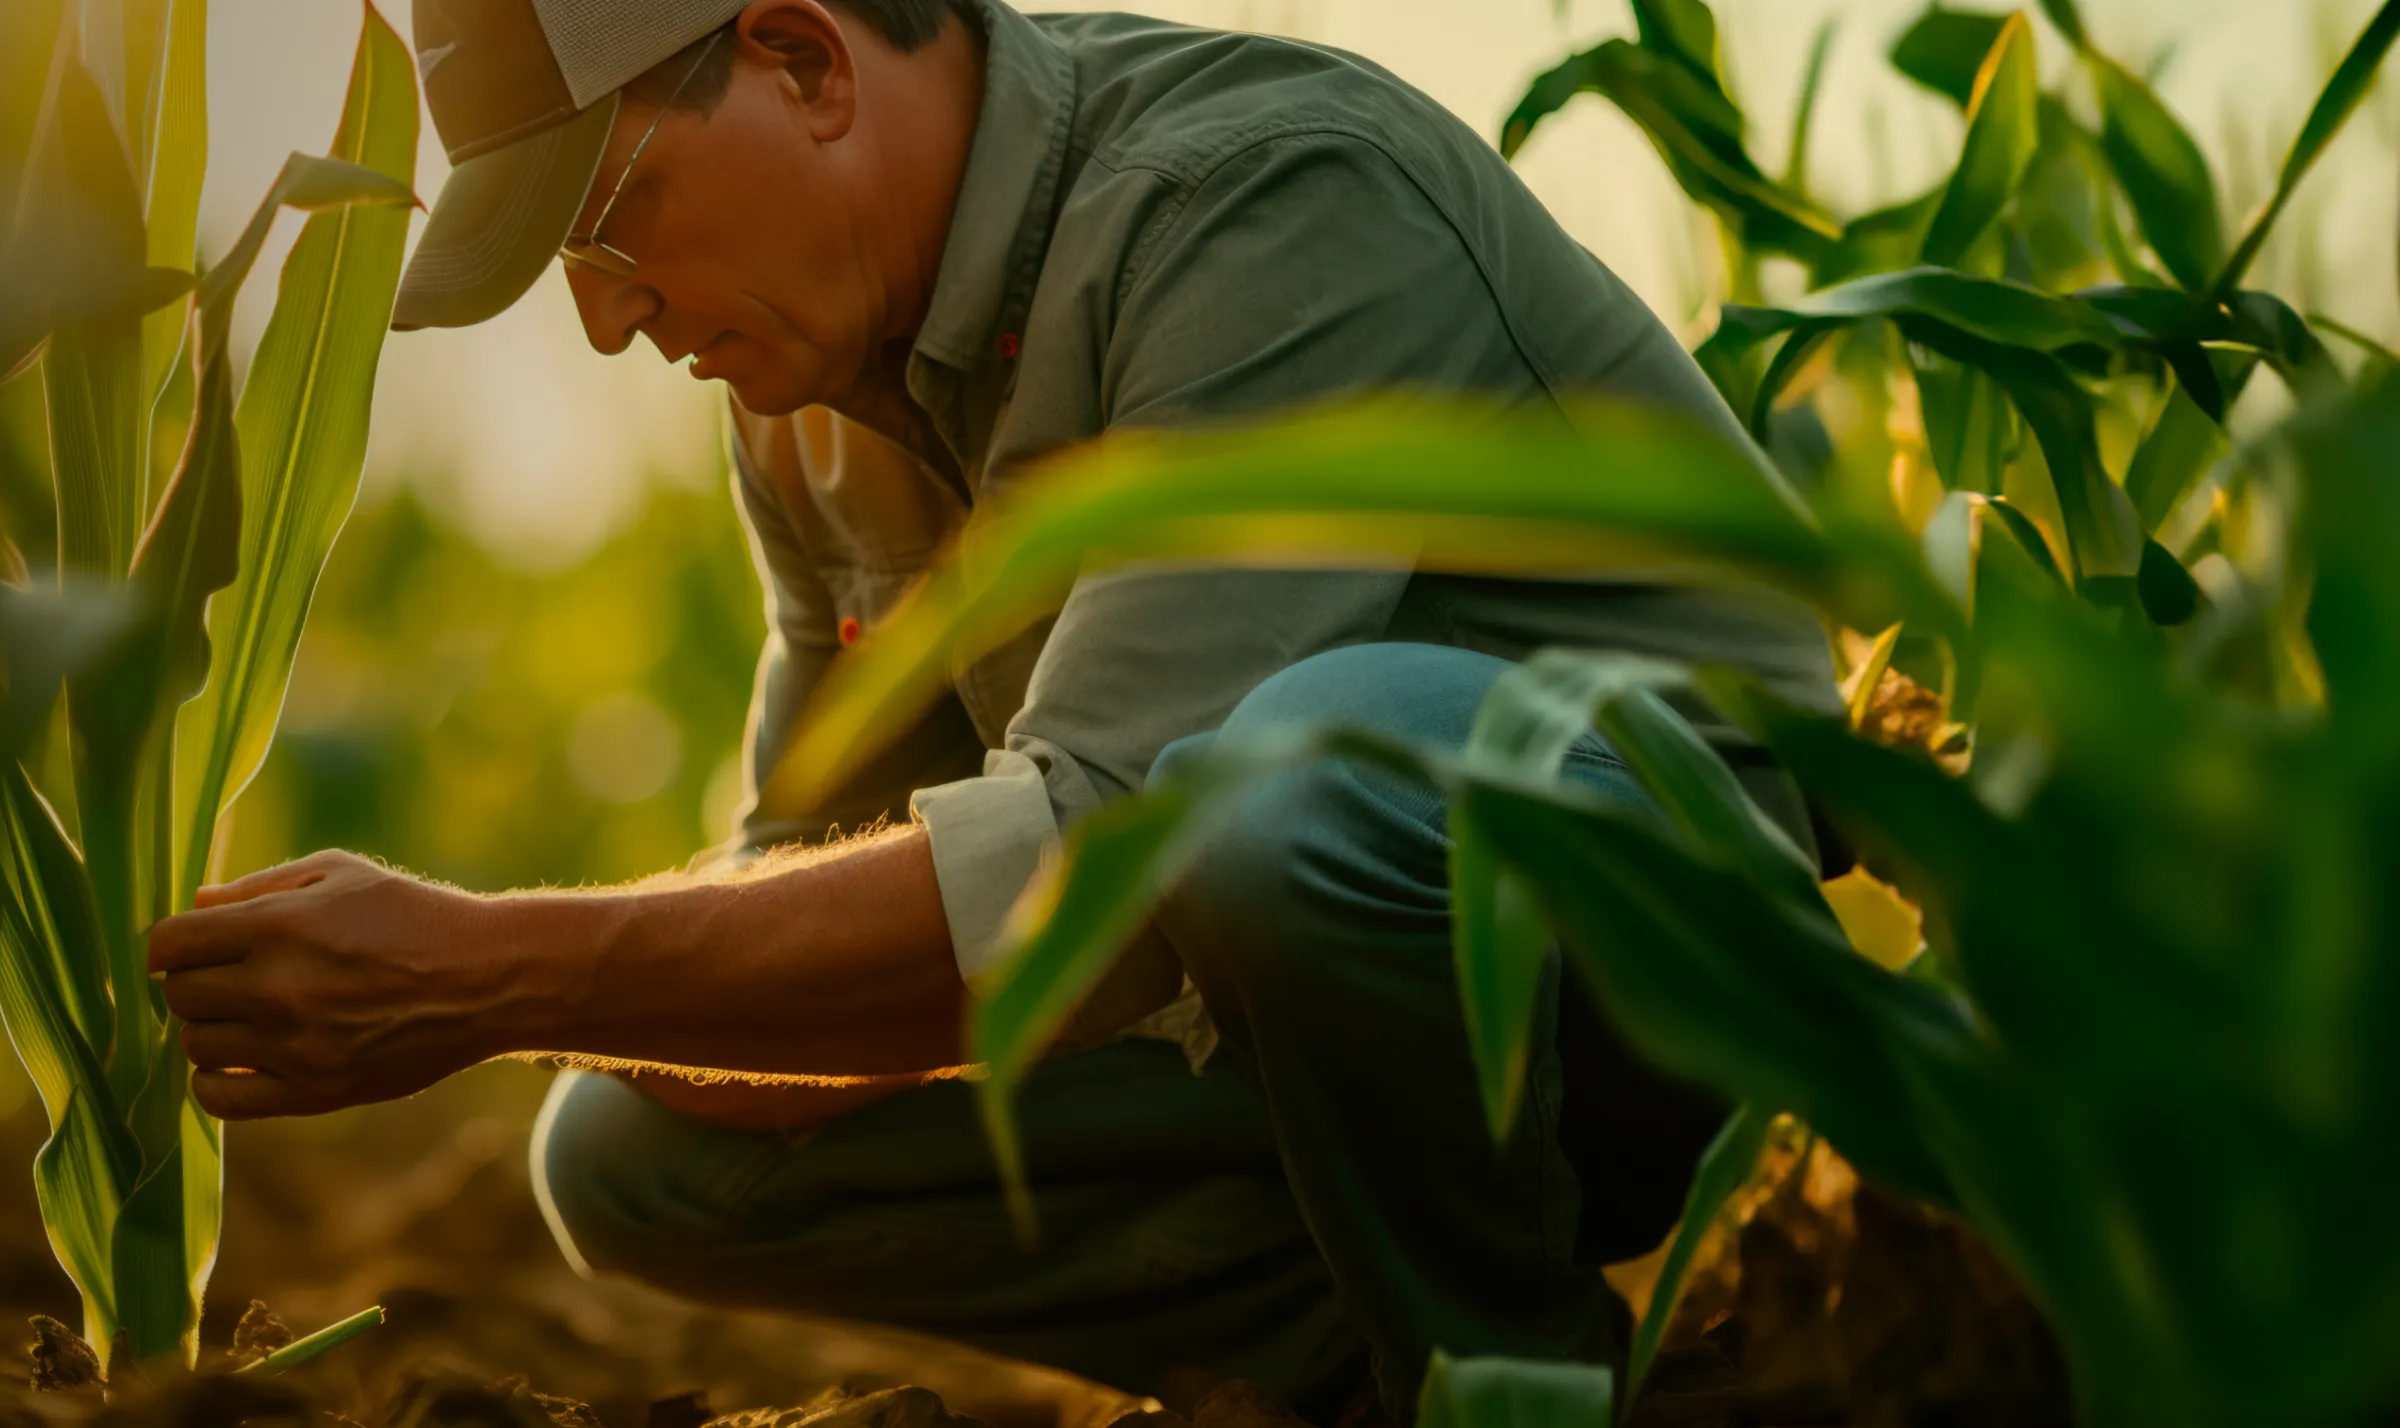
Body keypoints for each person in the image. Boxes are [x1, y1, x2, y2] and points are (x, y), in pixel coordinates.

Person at [141, 0, 1839, 1416]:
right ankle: (1381, 1378)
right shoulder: (806, 404)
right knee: (632, 1145)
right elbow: (809, 895)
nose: (604, 320)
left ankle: (1505, 1383)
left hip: (1668, 976)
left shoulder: (1260, 196)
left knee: (1281, 798)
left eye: (608, 216)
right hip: (1282, 1028)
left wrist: (494, 969)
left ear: (804, 59)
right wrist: (531, 991)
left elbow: (1107, 865)